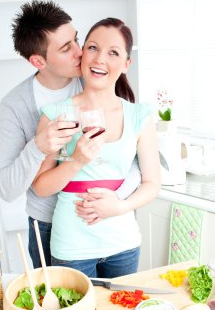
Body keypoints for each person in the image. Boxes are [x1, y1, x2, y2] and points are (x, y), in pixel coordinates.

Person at [0, 1, 142, 270]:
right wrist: (38, 146)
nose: (81, 52)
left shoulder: (98, 79)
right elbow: (6, 188)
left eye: (76, 39)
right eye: (66, 48)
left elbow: (135, 158)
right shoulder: (15, 105)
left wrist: (116, 200)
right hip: (49, 226)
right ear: (38, 61)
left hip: (105, 221)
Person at [32, 18, 160, 278]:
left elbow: (152, 184)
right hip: (71, 247)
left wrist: (120, 207)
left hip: (123, 243)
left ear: (126, 65)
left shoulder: (139, 116)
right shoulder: (55, 114)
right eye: (93, 48)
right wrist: (76, 160)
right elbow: (41, 186)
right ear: (82, 55)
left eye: (113, 52)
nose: (100, 59)